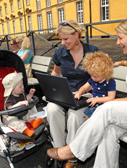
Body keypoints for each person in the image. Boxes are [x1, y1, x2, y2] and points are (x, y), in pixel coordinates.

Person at [47, 17, 127, 168]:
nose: (117, 42)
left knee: (107, 108)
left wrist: (112, 102)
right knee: (108, 131)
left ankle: (74, 150)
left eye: (120, 38)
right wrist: (121, 63)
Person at [47, 20, 99, 168]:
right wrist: (53, 86)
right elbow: (56, 72)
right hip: (65, 92)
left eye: (65, 39)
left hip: (86, 94)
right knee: (52, 109)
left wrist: (83, 90)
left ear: (76, 35)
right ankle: (58, 149)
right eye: (60, 39)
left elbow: (99, 77)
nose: (62, 43)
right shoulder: (60, 53)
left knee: (75, 116)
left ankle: (71, 155)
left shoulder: (92, 51)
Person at [74, 51, 116, 120]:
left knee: (88, 118)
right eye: (91, 75)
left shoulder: (110, 82)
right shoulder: (92, 80)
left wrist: (97, 99)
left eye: (95, 76)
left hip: (104, 106)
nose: (93, 78)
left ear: (105, 72)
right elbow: (84, 87)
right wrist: (79, 92)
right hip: (94, 103)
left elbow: (111, 97)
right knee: (84, 116)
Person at [2, 72, 43, 137]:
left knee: (29, 114)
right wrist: (20, 103)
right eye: (20, 87)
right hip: (11, 116)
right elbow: (10, 108)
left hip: (22, 112)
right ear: (12, 90)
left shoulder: (22, 94)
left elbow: (26, 99)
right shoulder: (8, 99)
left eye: (22, 85)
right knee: (15, 123)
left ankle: (33, 122)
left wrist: (30, 94)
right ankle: (26, 131)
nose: (23, 87)